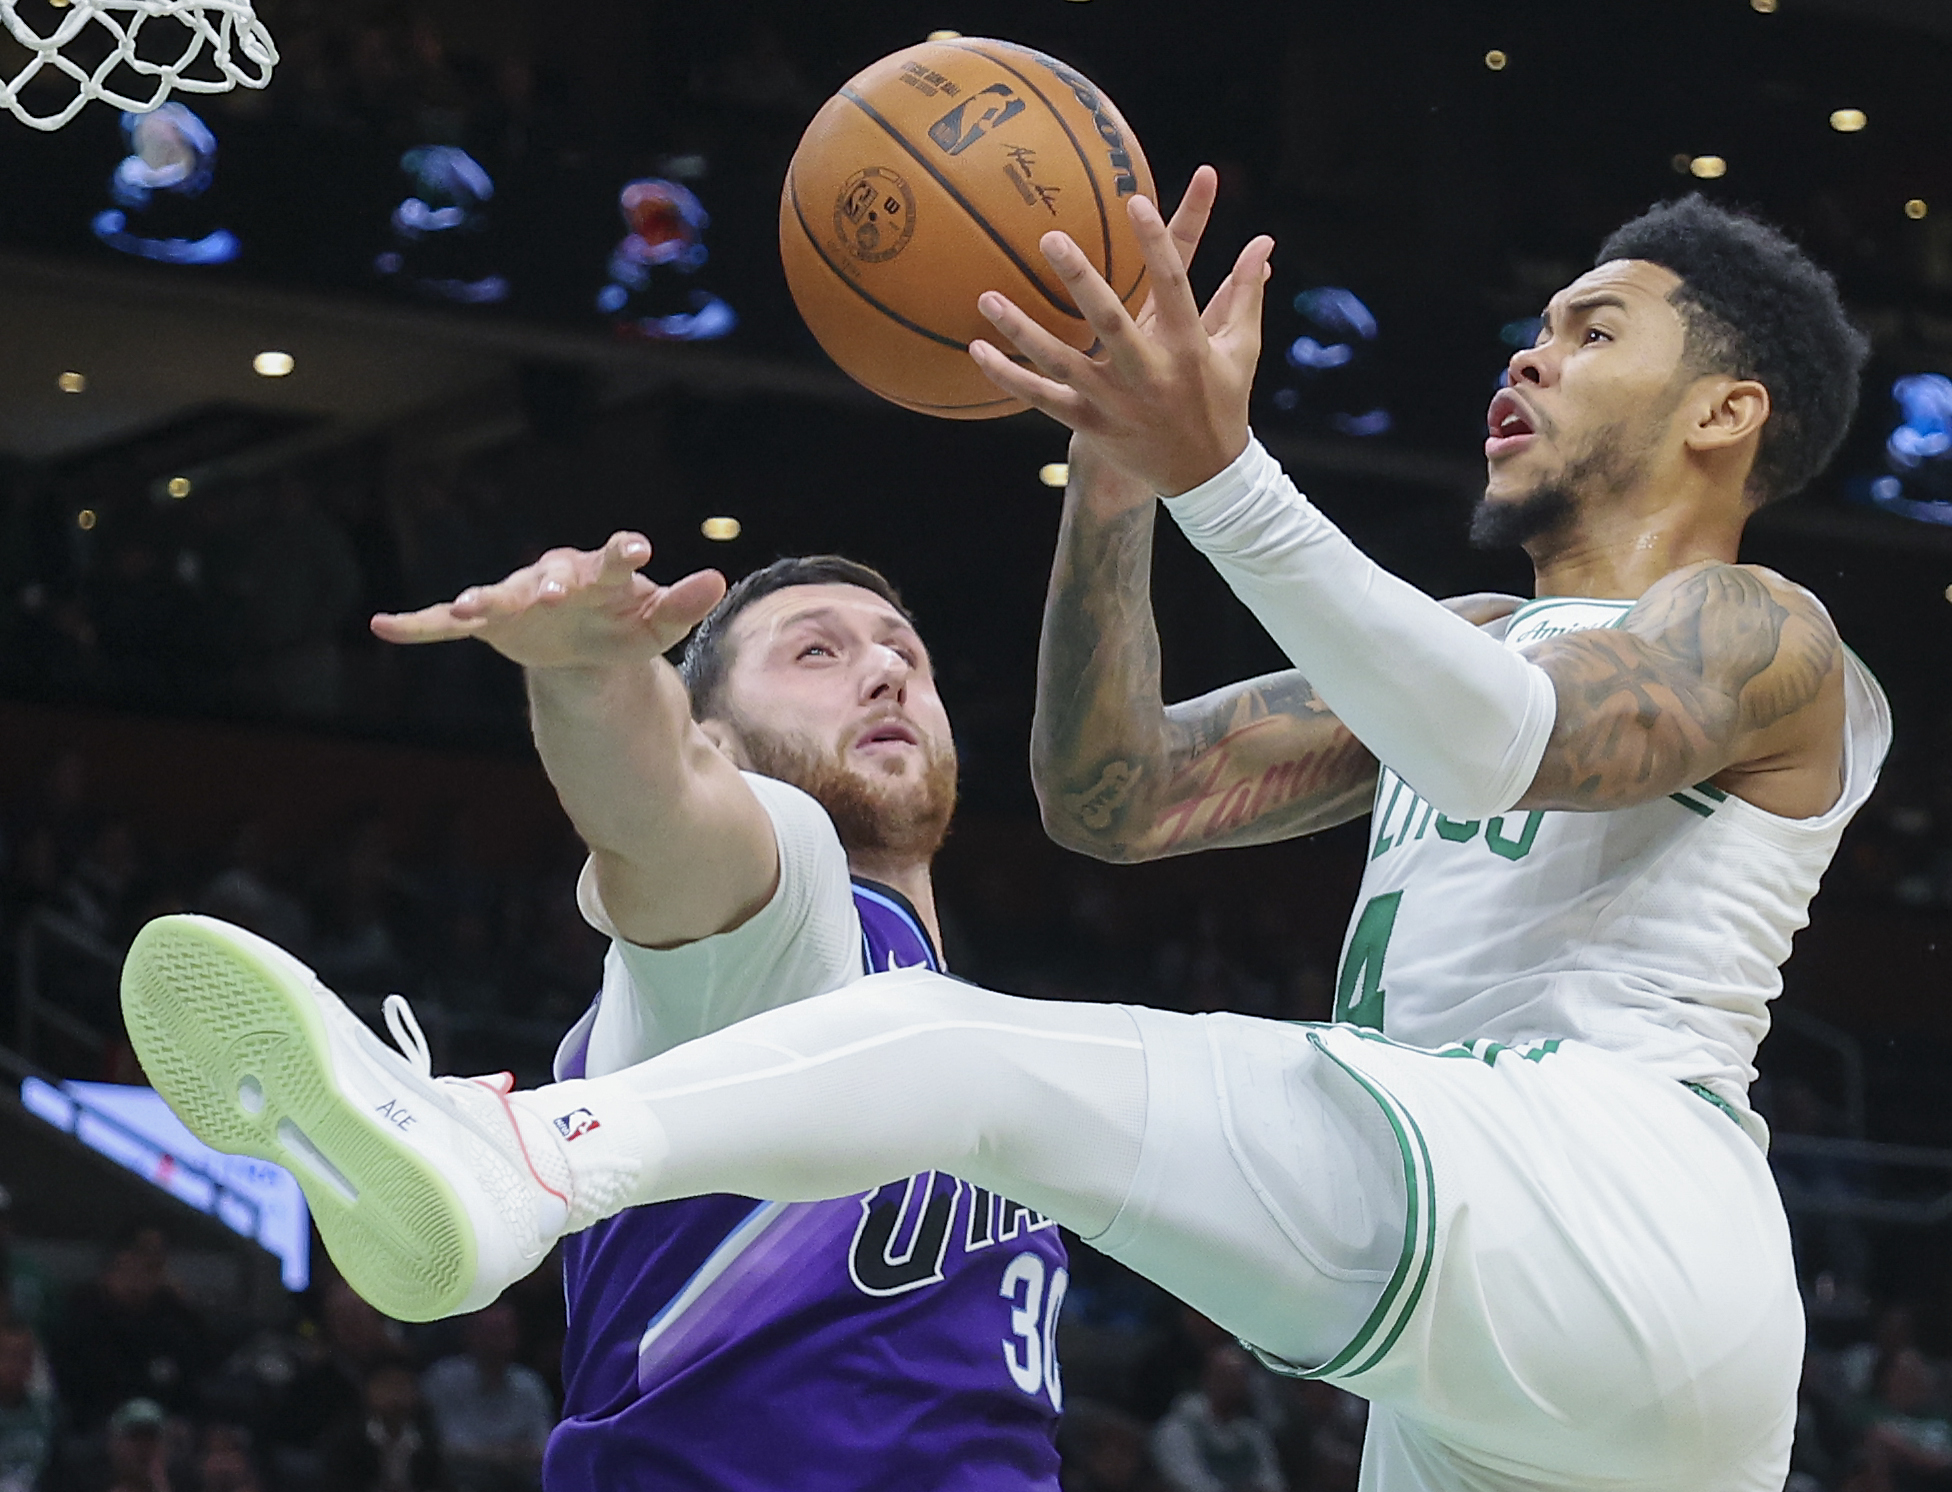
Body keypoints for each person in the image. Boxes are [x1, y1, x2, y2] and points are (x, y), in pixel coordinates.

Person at [121, 177, 1883, 1492]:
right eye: (1540, 319)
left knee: (951, 1046)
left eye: (1592, 326)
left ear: (1726, 411)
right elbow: (1112, 798)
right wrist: (1115, 488)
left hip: (1605, 1196)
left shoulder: (1765, 636)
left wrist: (1225, 475)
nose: (1530, 347)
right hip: (1499, 1351)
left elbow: (1512, 749)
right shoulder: (1459, 650)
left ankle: (520, 1155)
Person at [123, 543, 1069, 1490]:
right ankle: (510, 1149)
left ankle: (509, 1146)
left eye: (906, 653)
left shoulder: (988, 1039)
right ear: (721, 743)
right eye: (815, 653)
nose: (883, 672)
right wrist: (590, 677)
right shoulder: (788, 922)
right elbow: (665, 810)